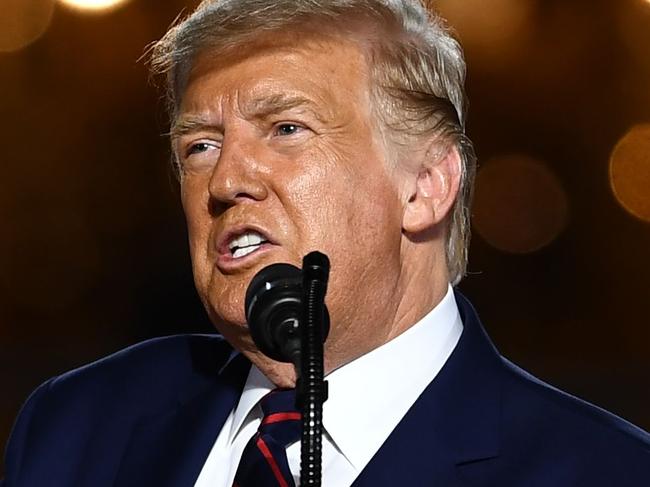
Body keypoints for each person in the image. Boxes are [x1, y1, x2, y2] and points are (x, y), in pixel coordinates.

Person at [3, 1, 649, 486]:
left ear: (425, 184)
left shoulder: (605, 470)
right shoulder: (73, 430)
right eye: (199, 144)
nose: (225, 180)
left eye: (285, 127)